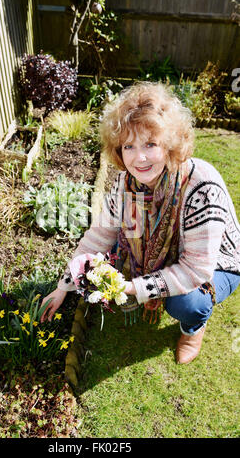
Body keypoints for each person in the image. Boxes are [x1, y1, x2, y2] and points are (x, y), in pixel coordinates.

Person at [40, 81, 240, 364]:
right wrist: (63, 287)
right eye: (129, 146)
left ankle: (194, 327)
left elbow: (196, 269)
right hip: (178, 258)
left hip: (218, 262)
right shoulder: (126, 183)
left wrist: (135, 288)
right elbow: (98, 236)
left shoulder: (201, 187)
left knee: (186, 302)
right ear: (118, 150)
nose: (140, 157)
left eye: (150, 144)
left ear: (170, 143)